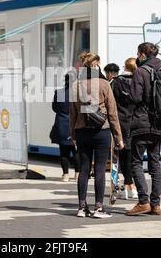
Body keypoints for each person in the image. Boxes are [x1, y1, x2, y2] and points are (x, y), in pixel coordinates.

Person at [70, 52, 124, 219]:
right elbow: (113, 112)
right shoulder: (104, 84)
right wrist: (118, 137)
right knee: (100, 168)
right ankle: (99, 207)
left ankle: (81, 207)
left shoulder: (75, 84)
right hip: (102, 130)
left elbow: (73, 113)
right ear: (95, 66)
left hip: (82, 131)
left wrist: (73, 134)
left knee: (83, 169)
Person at [126, 43, 161, 216]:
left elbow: (136, 97)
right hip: (159, 124)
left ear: (143, 55)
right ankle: (156, 204)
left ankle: (143, 201)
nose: (137, 56)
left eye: (138, 53)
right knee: (155, 164)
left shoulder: (140, 71)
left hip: (142, 123)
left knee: (136, 162)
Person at [111, 58, 139, 200]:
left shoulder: (116, 82)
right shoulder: (139, 80)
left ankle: (128, 185)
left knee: (123, 155)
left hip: (120, 122)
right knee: (133, 156)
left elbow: (112, 103)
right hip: (136, 122)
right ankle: (132, 186)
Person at [50, 72, 81, 182]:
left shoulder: (59, 92)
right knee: (76, 150)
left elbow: (54, 108)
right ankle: (78, 174)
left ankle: (65, 175)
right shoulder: (79, 93)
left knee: (64, 151)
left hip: (61, 124)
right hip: (75, 124)